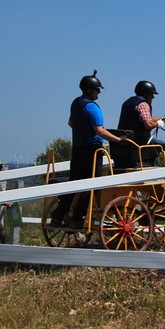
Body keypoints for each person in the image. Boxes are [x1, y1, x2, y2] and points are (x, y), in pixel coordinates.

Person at [51, 70, 127, 229]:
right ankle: (78, 218)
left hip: (77, 149)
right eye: (97, 90)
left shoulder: (76, 103)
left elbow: (71, 124)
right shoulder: (92, 107)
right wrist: (118, 140)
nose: (99, 92)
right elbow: (100, 130)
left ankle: (58, 216)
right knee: (92, 185)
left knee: (73, 184)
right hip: (92, 151)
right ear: (89, 90)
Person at [117, 80, 165, 167]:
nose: (153, 97)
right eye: (151, 94)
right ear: (145, 94)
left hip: (127, 142)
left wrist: (162, 119)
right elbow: (148, 125)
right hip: (140, 141)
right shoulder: (143, 104)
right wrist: (158, 124)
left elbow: (145, 118)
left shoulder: (127, 102)